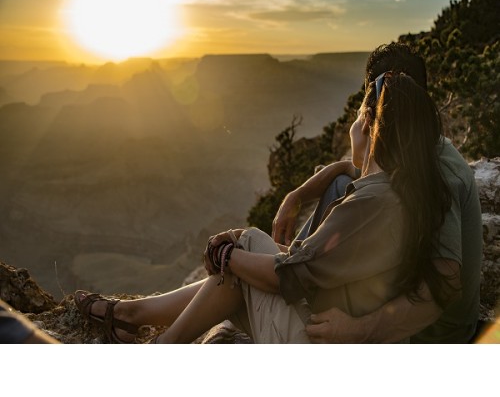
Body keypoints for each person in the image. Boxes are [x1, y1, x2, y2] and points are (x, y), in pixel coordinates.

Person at [74, 69, 456, 344]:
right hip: (343, 329)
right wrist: (242, 243)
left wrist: (226, 253)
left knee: (243, 257)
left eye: (358, 118)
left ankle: (158, 344)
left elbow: (288, 276)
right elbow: (316, 267)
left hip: (322, 346)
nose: (351, 129)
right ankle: (135, 316)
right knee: (248, 245)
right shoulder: (399, 191)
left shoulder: (369, 202)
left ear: (373, 127)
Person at [273, 42, 483, 343]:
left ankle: (293, 276)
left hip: (431, 335)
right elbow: (351, 170)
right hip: (402, 299)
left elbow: (447, 283)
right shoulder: (406, 146)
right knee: (339, 187)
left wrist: (357, 329)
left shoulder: (438, 168)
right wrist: (296, 196)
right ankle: (297, 267)